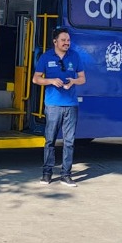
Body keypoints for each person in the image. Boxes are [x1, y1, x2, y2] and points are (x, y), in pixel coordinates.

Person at [32, 26, 86, 187]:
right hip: (53, 105)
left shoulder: (75, 56)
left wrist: (73, 81)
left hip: (71, 105)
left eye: (68, 40)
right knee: (50, 140)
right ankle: (47, 174)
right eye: (63, 40)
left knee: (69, 142)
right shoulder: (46, 57)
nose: (66, 43)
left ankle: (66, 175)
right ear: (55, 41)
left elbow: (82, 78)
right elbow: (35, 79)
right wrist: (51, 81)